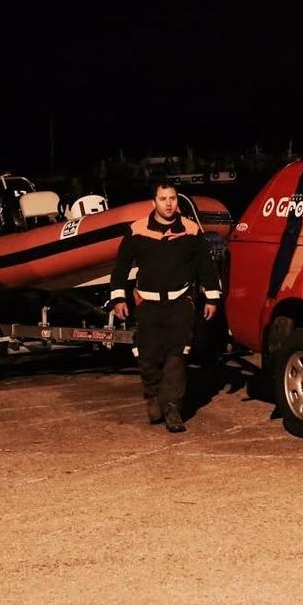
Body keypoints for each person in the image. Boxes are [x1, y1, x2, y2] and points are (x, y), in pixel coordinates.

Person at [110, 183, 221, 433]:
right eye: (163, 199)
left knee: (176, 357)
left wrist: (212, 298)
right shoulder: (137, 231)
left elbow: (206, 266)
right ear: (154, 203)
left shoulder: (191, 230)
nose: (168, 203)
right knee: (148, 357)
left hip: (180, 304)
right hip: (147, 305)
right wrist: (118, 299)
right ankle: (152, 396)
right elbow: (121, 268)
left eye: (172, 198)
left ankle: (173, 409)